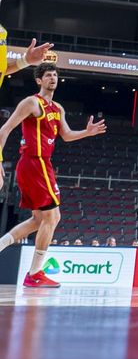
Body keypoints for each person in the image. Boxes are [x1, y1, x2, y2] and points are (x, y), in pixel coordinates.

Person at [0, 65, 107, 287]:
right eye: (48, 75)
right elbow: (5, 129)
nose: (53, 78)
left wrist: (87, 132)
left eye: (55, 75)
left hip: (42, 164)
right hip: (33, 162)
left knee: (39, 220)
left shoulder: (58, 108)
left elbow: (66, 136)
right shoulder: (32, 102)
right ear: (39, 81)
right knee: (52, 217)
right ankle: (34, 274)